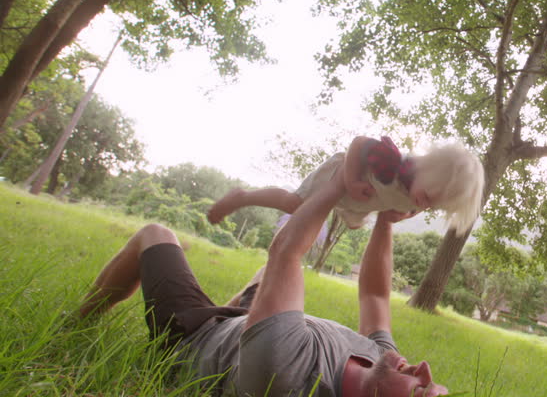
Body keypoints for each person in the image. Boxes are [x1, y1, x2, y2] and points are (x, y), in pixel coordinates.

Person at [78, 167, 449, 397]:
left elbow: (285, 252)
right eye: (433, 385)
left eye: (420, 392)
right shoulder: (381, 361)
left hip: (194, 335)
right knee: (266, 282)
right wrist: (385, 220)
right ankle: (244, 316)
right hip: (246, 327)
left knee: (155, 235)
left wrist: (338, 182)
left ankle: (78, 320)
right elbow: (375, 298)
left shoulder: (287, 377)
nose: (424, 369)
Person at [207, 136, 484, 235]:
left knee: (353, 223)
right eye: (427, 197)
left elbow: (414, 206)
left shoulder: (421, 194)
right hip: (341, 175)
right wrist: (351, 180)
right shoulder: (391, 163)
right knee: (295, 205)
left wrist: (403, 214)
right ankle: (242, 197)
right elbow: (359, 143)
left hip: (358, 200)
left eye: (434, 206)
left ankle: (347, 211)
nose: (425, 205)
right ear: (426, 170)